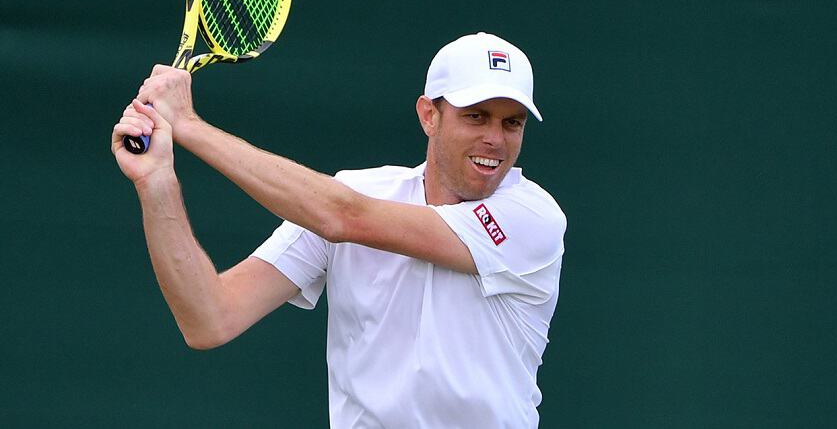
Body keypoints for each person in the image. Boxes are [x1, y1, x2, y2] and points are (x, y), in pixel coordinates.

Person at [111, 32, 567, 428]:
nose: (495, 139)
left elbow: (343, 217)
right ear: (429, 116)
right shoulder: (355, 193)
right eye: (476, 116)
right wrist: (157, 183)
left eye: (512, 123)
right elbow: (210, 319)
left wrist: (188, 125)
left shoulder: (533, 219)